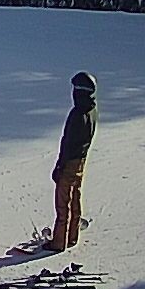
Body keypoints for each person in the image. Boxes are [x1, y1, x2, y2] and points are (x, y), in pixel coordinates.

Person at [47, 72, 97, 251]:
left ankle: (59, 242)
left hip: (70, 161)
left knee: (63, 202)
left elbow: (68, 142)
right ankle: (72, 236)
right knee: (75, 198)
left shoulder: (77, 114)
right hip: (81, 161)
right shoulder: (92, 110)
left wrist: (60, 166)